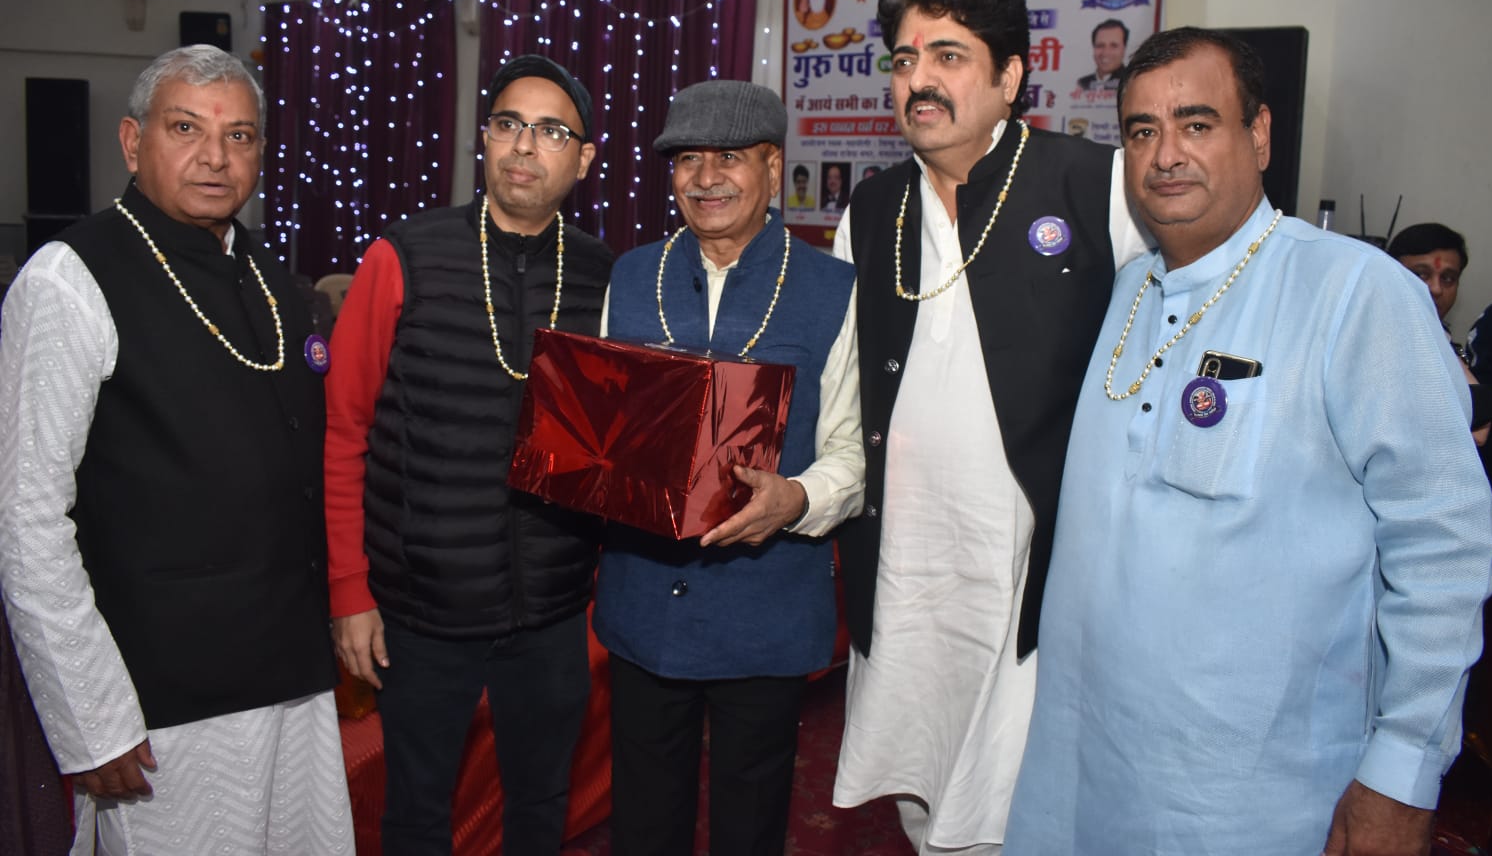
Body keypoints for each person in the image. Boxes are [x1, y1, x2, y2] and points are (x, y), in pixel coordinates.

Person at [1005, 27, 1492, 855]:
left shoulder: (1356, 292)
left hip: (1253, 797)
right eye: (1142, 131)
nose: (1166, 154)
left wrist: (1402, 772)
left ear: (1259, 135)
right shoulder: (1126, 292)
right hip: (1083, 767)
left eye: (1197, 124)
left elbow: (1443, 548)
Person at [0, 44, 353, 854]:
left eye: (240, 136)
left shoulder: (267, 273)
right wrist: (91, 717)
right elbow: (26, 519)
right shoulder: (68, 279)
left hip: (291, 670)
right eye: (186, 128)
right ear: (133, 142)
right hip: (163, 696)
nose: (215, 157)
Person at [831, 0, 1146, 854]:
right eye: (903, 60)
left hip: (1030, 563)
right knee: (923, 773)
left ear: (1010, 77)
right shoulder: (872, 207)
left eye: (949, 56)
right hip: (907, 556)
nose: (919, 79)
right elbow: (847, 383)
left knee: (1022, 793)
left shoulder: (1095, 183)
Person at [324, 54, 614, 854]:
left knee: (540, 805)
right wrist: (349, 592)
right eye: (509, 124)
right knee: (416, 814)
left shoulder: (605, 275)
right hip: (422, 607)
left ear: (584, 159)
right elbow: (344, 432)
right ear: (484, 139)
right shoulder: (404, 256)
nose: (525, 145)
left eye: (551, 131)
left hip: (551, 608)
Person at [595, 79, 863, 856]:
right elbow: (606, 429)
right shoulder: (630, 275)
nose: (705, 177)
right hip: (643, 606)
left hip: (766, 610)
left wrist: (797, 498)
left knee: (751, 824)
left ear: (773, 168)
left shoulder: (834, 288)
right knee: (643, 824)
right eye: (687, 159)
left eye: (729, 157)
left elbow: (854, 451)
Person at [1388, 222, 1492, 444]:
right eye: (1420, 274)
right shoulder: (1372, 337)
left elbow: (1479, 427)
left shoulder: (1438, 338)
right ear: (1389, 273)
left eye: (1447, 278)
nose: (1435, 289)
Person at [1076, 18, 1129, 90]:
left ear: (1124, 49)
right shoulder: (1082, 84)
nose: (1106, 52)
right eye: (1100, 46)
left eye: (1114, 46)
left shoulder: (1131, 81)